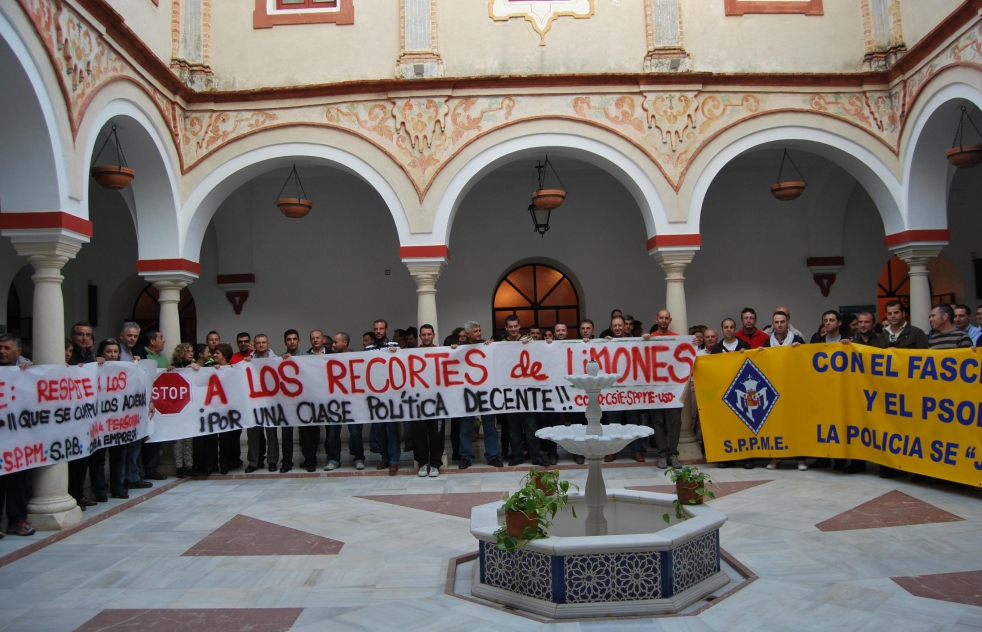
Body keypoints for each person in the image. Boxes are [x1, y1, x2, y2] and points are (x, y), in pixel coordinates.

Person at [760, 312, 808, 472]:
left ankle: (799, 457)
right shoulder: (767, 342)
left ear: (788, 322)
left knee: (796, 424)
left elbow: (805, 361)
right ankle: (776, 457)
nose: (779, 325)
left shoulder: (797, 340)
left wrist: (799, 350)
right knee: (776, 424)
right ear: (772, 324)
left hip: (793, 389)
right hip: (774, 390)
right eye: (776, 322)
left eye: (782, 321)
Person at [0, 334, 36, 537]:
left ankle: (16, 520)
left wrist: (32, 373)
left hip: (20, 441)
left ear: (18, 352)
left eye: (7, 348)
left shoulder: (27, 371)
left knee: (18, 482)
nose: (2, 352)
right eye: (0, 348)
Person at [498, 315, 545, 466]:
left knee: (531, 425)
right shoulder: (501, 344)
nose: (513, 329)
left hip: (527, 392)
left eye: (515, 326)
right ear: (506, 328)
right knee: (513, 427)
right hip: (510, 392)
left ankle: (535, 456)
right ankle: (517, 456)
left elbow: (542, 351)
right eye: (510, 326)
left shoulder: (528, 341)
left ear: (519, 326)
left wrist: (529, 345)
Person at [457, 321, 503, 469]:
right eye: (475, 331)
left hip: (486, 393)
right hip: (467, 394)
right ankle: (466, 456)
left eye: (479, 330)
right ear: (468, 334)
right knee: (466, 427)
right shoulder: (460, 348)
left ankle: (492, 455)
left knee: (490, 425)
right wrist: (453, 350)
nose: (479, 334)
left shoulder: (487, 346)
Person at [67, 323, 102, 509]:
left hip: (86, 417)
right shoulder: (69, 356)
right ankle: (70, 495)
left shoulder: (89, 356)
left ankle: (79, 494)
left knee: (83, 460)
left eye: (88, 334)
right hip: (69, 417)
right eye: (80, 334)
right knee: (72, 463)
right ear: (73, 336)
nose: (84, 338)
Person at [602, 317, 645, 463]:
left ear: (626, 327)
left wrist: (647, 339)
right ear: (611, 327)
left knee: (633, 422)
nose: (618, 328)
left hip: (630, 390)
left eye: (620, 325)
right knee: (612, 423)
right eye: (615, 326)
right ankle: (611, 451)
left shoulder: (635, 342)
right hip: (613, 391)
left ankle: (636, 451)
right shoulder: (606, 342)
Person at [325, 332, 366, 471]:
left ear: (345, 343)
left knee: (355, 432)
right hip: (335, 402)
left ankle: (359, 458)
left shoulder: (356, 357)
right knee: (333, 432)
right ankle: (333, 459)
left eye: (336, 342)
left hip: (352, 402)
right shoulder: (328, 359)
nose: (333, 345)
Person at [365, 320, 402, 475]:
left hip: (392, 394)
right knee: (380, 428)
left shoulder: (395, 346)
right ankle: (384, 457)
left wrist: (397, 353)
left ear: (386, 330)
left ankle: (394, 460)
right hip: (376, 394)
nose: (378, 331)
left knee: (392, 428)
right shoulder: (368, 349)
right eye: (376, 329)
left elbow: (402, 364)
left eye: (381, 328)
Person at [410, 324, 445, 477]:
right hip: (418, 403)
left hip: (437, 403)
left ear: (433, 335)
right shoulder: (411, 354)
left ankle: (435, 464)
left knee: (437, 435)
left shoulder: (442, 353)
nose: (426, 337)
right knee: (418, 435)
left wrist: (455, 349)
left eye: (429, 334)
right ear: (420, 336)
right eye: (423, 335)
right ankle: (423, 463)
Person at [168, 343, 199, 478]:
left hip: (190, 407)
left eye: (192, 351)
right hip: (177, 408)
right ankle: (179, 467)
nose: (191, 353)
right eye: (188, 351)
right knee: (178, 439)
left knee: (189, 439)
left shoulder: (195, 365)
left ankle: (189, 465)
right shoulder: (175, 367)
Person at [211, 343, 242, 475]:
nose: (214, 355)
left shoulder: (234, 369)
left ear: (224, 355)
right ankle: (222, 463)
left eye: (217, 353)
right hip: (217, 410)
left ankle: (232, 461)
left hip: (232, 409)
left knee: (232, 437)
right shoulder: (210, 368)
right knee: (221, 437)